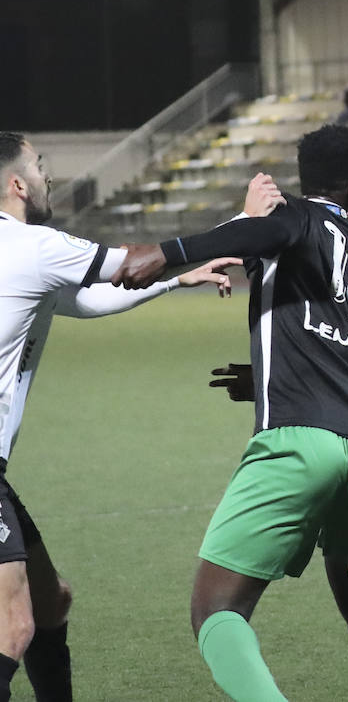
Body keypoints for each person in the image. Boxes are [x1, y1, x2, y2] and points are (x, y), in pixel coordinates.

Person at [113, 125, 348, 702]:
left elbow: (261, 230)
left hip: (298, 445)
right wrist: (273, 377)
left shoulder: (297, 220)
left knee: (215, 610)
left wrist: (163, 253)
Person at [0, 132, 242, 702]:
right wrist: (241, 223)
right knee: (13, 627)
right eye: (38, 165)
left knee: (50, 599)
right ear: (16, 184)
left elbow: (86, 299)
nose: (46, 175)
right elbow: (130, 264)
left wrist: (177, 280)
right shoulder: (33, 247)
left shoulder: (19, 258)